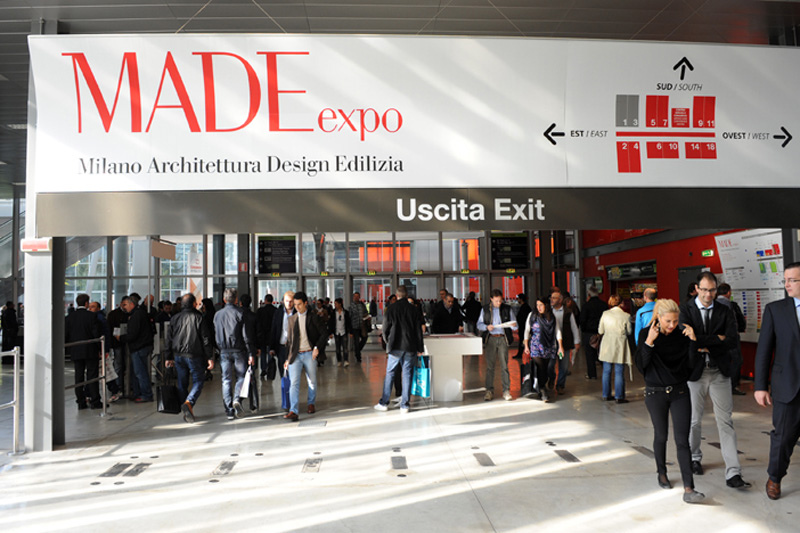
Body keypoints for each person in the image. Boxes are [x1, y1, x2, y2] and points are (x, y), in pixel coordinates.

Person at [680, 271, 751, 489]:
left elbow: (731, 340)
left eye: (712, 290)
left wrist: (700, 340)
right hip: (695, 373)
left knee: (725, 421)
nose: (708, 295)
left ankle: (733, 472)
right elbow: (686, 341)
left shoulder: (724, 310)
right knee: (694, 420)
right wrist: (715, 339)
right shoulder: (686, 310)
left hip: (719, 371)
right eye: (704, 290)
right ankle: (694, 458)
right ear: (696, 289)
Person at [635, 299, 705, 504]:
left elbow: (691, 368)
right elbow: (642, 367)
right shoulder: (646, 334)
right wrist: (649, 341)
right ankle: (662, 473)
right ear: (658, 318)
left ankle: (689, 488)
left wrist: (693, 342)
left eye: (675, 321)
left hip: (680, 391)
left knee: (682, 440)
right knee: (661, 435)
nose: (672, 325)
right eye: (668, 321)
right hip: (655, 393)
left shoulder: (682, 336)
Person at [755, 262, 800, 500]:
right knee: (782, 438)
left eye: (792, 280)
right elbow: (764, 350)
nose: (787, 284)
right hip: (787, 386)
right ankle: (775, 477)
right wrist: (760, 386)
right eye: (785, 280)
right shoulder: (775, 310)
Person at [165, 293, 214, 424]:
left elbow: (169, 339)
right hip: (194, 355)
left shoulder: (174, 318)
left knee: (182, 383)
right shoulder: (199, 318)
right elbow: (205, 339)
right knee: (199, 380)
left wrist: (168, 356)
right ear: (193, 304)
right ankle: (189, 403)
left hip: (178, 356)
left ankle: (186, 408)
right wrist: (209, 356)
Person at [374, 286, 425, 413]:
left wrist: (387, 342)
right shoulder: (414, 309)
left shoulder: (391, 308)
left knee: (390, 373)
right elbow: (418, 330)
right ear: (407, 295)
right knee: (407, 374)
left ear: (397, 296)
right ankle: (405, 405)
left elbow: (385, 328)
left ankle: (384, 403)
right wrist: (420, 347)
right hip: (410, 346)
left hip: (395, 346)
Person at [283, 291, 328, 421]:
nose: (296, 307)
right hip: (296, 355)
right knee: (294, 383)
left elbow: (324, 333)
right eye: (295, 304)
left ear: (305, 303)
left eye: (299, 304)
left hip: (309, 353)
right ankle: (293, 410)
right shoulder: (292, 319)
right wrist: (287, 359)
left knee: (312, 381)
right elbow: (290, 342)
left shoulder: (314, 317)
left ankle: (311, 403)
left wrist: (317, 348)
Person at [214, 288, 256, 420]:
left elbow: (215, 333)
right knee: (241, 377)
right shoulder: (240, 313)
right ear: (236, 299)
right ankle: (237, 399)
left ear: (224, 299)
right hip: (239, 351)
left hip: (223, 351)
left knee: (226, 380)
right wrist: (251, 353)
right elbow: (246, 336)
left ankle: (229, 411)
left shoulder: (217, 315)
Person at [477, 289, 517, 401]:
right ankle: (489, 391)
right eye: (496, 301)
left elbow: (514, 324)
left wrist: (514, 325)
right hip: (490, 339)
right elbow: (479, 324)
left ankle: (506, 390)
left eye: (500, 300)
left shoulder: (507, 309)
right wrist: (486, 327)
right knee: (490, 367)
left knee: (504, 366)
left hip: (503, 338)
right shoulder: (485, 309)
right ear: (491, 299)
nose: (499, 303)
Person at [65, 294, 102, 409]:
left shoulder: (69, 317)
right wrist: (100, 349)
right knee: (92, 376)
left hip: (76, 350)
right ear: (86, 303)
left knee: (78, 376)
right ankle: (95, 401)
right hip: (90, 350)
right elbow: (96, 334)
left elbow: (66, 334)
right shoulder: (92, 316)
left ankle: (81, 401)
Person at [523, 296, 563, 403]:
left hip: (548, 346)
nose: (539, 307)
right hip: (535, 345)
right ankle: (542, 389)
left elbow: (557, 331)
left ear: (546, 305)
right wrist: (526, 345)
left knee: (545, 368)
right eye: (537, 305)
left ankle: (542, 386)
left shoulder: (552, 317)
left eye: (541, 305)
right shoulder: (532, 315)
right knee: (540, 366)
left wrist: (560, 346)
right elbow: (527, 330)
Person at [119, 295, 154, 403]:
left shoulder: (136, 315)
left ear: (131, 304)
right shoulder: (140, 313)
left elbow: (133, 334)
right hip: (142, 346)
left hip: (139, 347)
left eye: (125, 305)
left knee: (140, 372)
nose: (124, 307)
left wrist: (121, 338)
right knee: (137, 372)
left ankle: (146, 394)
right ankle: (137, 392)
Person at [598, 294, 632, 403]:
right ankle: (619, 396)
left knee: (606, 371)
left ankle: (606, 395)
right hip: (620, 344)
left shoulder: (605, 314)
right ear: (621, 303)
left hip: (607, 344)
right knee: (619, 371)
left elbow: (600, 331)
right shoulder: (626, 315)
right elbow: (629, 332)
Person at [716, 283, 747, 396]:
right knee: (737, 360)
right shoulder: (728, 304)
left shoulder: (714, 303)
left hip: (719, 338)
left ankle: (724, 384)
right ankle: (732, 385)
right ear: (729, 292)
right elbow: (732, 322)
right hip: (730, 337)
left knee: (725, 360)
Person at [89, 301, 122, 402]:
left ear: (98, 308)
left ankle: (115, 390)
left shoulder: (100, 319)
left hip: (100, 350)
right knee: (99, 372)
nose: (90, 309)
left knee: (105, 372)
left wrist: (104, 350)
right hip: (98, 349)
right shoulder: (96, 318)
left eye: (93, 307)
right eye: (89, 307)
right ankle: (88, 393)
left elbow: (105, 335)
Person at [549, 291, 580, 394]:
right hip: (552, 344)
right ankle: (551, 379)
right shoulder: (548, 311)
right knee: (550, 365)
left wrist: (576, 341)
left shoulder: (568, 312)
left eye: (554, 298)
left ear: (560, 300)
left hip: (565, 344)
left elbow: (574, 327)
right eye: (551, 297)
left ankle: (560, 385)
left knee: (563, 366)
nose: (552, 299)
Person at [580, 286, 608, 380]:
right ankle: (606, 372)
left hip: (589, 332)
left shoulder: (586, 306)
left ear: (589, 294)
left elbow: (582, 320)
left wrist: (584, 330)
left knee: (590, 355)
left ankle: (592, 374)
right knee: (603, 352)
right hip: (602, 333)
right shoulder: (604, 305)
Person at [269, 291, 296, 378]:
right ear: (283, 301)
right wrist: (272, 347)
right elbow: (274, 329)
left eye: (291, 301)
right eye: (287, 301)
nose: (289, 303)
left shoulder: (297, 313)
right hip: (281, 346)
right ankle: (284, 385)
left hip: (294, 347)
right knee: (282, 371)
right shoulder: (278, 313)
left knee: (293, 372)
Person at [106, 297, 128, 395]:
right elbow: (109, 329)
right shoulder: (113, 314)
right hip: (117, 343)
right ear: (121, 303)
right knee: (118, 365)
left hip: (126, 342)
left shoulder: (129, 314)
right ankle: (118, 385)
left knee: (124, 364)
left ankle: (124, 385)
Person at [256, 294, 276, 379]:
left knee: (263, 353)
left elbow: (257, 324)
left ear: (265, 300)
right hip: (271, 335)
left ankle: (263, 369)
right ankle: (270, 368)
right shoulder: (275, 310)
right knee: (270, 352)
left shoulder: (260, 311)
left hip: (262, 335)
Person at [349, 291, 369, 363]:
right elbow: (349, 317)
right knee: (356, 342)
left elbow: (366, 313)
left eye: (357, 296)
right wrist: (350, 330)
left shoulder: (362, 305)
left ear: (359, 297)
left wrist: (366, 317)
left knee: (365, 338)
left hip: (362, 326)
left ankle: (357, 350)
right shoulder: (351, 306)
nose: (356, 298)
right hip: (355, 326)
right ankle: (358, 356)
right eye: (355, 296)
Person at [331, 298, 351, 367]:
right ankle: (339, 360)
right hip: (337, 332)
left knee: (345, 347)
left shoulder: (345, 312)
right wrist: (330, 333)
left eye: (336, 304)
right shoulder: (333, 312)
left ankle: (346, 360)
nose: (335, 305)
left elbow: (348, 322)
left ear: (340, 304)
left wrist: (350, 331)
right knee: (337, 348)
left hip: (344, 332)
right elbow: (331, 323)